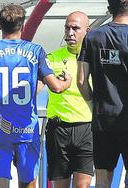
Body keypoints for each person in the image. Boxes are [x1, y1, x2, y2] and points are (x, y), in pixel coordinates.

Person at [0, 4, 72, 188]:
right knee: (27, 184)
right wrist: (67, 81)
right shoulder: (36, 51)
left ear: (0, 26)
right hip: (27, 131)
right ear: (23, 25)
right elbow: (57, 88)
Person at [77, 0, 128, 187]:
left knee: (102, 180)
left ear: (109, 9)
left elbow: (81, 81)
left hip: (103, 119)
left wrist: (94, 106)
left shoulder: (93, 36)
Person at [41, 11, 93, 188]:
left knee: (82, 186)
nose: (70, 33)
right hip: (58, 129)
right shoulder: (52, 57)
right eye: (67, 28)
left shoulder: (95, 57)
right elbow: (35, 88)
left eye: (76, 28)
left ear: (88, 30)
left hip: (87, 128)